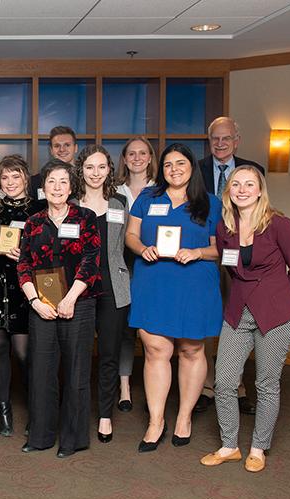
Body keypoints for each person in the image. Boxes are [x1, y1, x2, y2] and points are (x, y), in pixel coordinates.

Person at [200, 166, 290, 473]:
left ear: (260, 190)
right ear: (228, 190)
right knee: (225, 381)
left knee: (266, 384)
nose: (242, 189)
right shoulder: (224, 227)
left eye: (249, 184)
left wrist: (275, 299)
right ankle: (229, 446)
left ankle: (258, 448)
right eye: (236, 184)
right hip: (237, 311)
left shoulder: (279, 224)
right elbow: (232, 269)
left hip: (275, 315)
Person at [125, 143, 222, 452]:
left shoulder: (210, 203)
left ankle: (183, 417)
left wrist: (197, 252)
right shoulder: (147, 198)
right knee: (155, 350)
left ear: (192, 167)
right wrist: (143, 249)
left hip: (194, 284)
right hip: (153, 281)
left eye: (181, 163)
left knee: (192, 350)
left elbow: (220, 248)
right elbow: (130, 235)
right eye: (168, 165)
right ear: (161, 169)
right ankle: (156, 421)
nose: (174, 169)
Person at [17, 160, 100, 457]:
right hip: (42, 306)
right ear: (43, 187)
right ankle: (40, 436)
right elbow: (23, 264)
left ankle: (72, 440)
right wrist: (35, 302)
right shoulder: (34, 222)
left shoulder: (86, 218)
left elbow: (91, 261)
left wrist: (70, 299)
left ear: (71, 187)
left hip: (78, 303)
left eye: (63, 182)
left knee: (76, 372)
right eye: (52, 181)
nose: (57, 187)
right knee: (41, 371)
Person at [196, 116, 265, 416]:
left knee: (239, 320)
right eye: (215, 139)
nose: (220, 144)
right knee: (211, 321)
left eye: (226, 138)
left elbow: (262, 212)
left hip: (243, 257)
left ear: (237, 140)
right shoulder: (196, 170)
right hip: (209, 254)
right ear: (208, 141)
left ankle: (236, 387)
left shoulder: (254, 171)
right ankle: (208, 385)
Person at [73, 145, 131, 443]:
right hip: (78, 289)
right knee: (79, 355)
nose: (95, 173)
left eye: (101, 167)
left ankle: (105, 415)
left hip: (112, 287)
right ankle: (79, 412)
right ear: (80, 170)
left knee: (108, 353)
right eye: (89, 167)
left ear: (109, 170)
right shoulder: (70, 204)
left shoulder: (120, 204)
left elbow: (125, 246)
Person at [0, 155, 44, 436]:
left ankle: (37, 408)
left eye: (15, 176)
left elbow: (48, 246)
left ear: (25, 179)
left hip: (27, 285)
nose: (10, 182)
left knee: (23, 351)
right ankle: (3, 408)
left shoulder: (40, 208)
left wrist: (27, 254)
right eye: (4, 177)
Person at [114, 137, 157, 411]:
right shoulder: (114, 191)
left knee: (152, 327)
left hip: (152, 264)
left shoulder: (161, 190)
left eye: (143, 153)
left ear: (151, 157)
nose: (137, 158)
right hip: (121, 263)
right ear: (125, 158)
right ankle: (125, 386)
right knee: (125, 327)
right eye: (132, 153)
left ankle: (158, 382)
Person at [30, 125, 79, 199]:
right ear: (51, 150)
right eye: (57, 146)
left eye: (67, 145)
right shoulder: (35, 182)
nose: (62, 149)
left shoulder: (84, 179)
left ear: (75, 148)